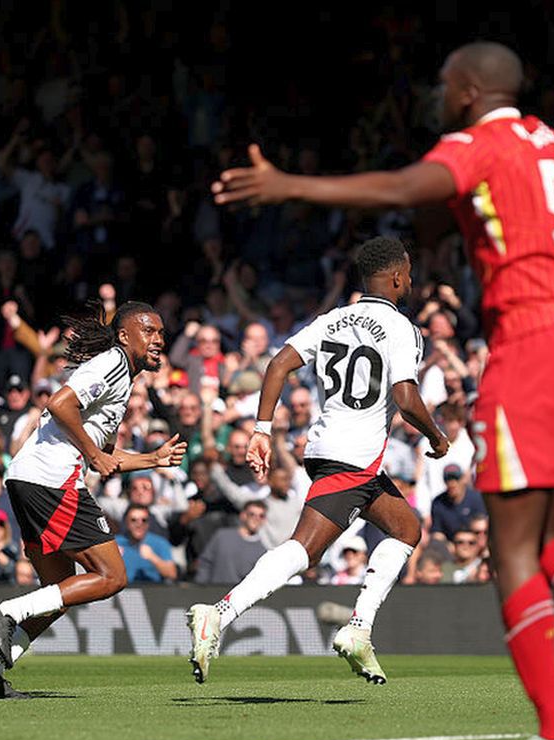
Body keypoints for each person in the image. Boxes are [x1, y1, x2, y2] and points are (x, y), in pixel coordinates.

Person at [210, 41, 554, 740]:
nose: (437, 93)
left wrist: (290, 184)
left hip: (534, 349)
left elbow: (401, 188)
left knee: (511, 550)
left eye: (443, 83)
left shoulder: (477, 144)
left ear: (467, 91)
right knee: (548, 538)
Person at [185, 236, 449, 688]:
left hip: (329, 448)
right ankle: (219, 614)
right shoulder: (402, 328)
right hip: (354, 456)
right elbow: (406, 398)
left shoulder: (333, 319)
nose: (410, 280)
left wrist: (262, 429)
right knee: (304, 551)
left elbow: (277, 365)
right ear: (396, 277)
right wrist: (437, 436)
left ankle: (359, 629)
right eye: (407, 272)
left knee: (406, 528)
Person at [0, 300, 186, 699]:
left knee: (58, 593)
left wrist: (151, 459)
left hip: (28, 478)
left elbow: (106, 455)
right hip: (52, 480)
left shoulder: (122, 378)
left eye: (160, 332)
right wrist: (93, 453)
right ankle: (10, 610)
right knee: (112, 576)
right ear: (124, 336)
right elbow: (59, 404)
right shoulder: (114, 363)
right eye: (149, 331)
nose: (159, 339)